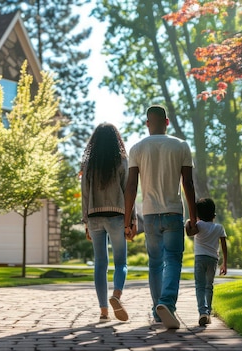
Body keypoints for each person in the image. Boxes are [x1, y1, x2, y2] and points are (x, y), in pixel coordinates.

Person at [123, 105, 197, 329]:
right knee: (173, 259)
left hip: (150, 215)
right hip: (173, 212)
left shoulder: (137, 148)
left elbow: (130, 187)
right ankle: (166, 304)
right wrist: (194, 219)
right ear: (167, 122)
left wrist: (127, 221)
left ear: (147, 123)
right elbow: (188, 184)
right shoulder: (181, 146)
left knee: (155, 263)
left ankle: (158, 311)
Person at [81, 122, 133, 322]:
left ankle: (104, 311)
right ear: (115, 140)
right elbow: (128, 191)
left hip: (94, 216)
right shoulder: (121, 160)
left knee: (100, 264)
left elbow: (85, 194)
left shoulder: (88, 164)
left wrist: (85, 221)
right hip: (117, 215)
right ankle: (116, 296)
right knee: (121, 262)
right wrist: (131, 220)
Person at [186, 197, 227, 326]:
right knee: (209, 286)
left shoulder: (198, 226)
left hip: (200, 258)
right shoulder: (219, 228)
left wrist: (189, 221)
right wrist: (225, 262)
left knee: (200, 286)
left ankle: (202, 312)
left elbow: (188, 232)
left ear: (197, 214)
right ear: (213, 214)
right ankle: (208, 312)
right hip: (213, 260)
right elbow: (224, 246)